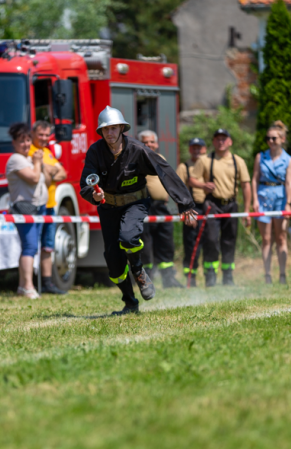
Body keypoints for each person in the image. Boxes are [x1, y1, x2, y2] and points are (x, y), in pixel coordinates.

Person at [79, 107, 196, 314]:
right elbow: (86, 182)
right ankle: (130, 302)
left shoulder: (138, 149)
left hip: (136, 203)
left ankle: (139, 270)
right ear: (101, 132)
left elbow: (165, 171)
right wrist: (93, 195)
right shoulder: (95, 152)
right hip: (108, 207)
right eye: (106, 129)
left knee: (129, 237)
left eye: (114, 128)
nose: (110, 133)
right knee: (114, 263)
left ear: (122, 128)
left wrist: (184, 202)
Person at [194, 129, 251, 287]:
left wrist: (247, 210)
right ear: (213, 142)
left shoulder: (237, 161)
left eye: (224, 139)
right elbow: (191, 179)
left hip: (231, 205)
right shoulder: (205, 160)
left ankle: (228, 276)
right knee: (211, 240)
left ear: (230, 141)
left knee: (229, 241)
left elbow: (246, 185)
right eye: (218, 139)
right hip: (212, 205)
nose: (221, 142)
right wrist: (202, 185)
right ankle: (210, 276)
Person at [6, 122, 51, 299]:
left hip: (38, 208)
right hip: (24, 208)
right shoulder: (15, 159)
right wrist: (39, 162)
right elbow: (33, 178)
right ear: (14, 143)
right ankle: (28, 287)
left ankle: (22, 286)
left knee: (30, 247)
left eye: (27, 140)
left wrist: (40, 164)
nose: (25, 144)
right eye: (21, 141)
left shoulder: (27, 159)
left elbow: (46, 180)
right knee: (30, 247)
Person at [138, 130, 183, 289]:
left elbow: (171, 181)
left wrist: (180, 203)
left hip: (162, 207)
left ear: (156, 144)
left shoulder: (161, 159)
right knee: (146, 244)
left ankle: (168, 279)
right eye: (145, 142)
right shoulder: (137, 159)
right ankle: (146, 281)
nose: (149, 144)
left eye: (152, 142)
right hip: (145, 207)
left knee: (166, 242)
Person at [252, 122, 291, 285]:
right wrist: (255, 199)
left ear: (282, 139)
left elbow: (289, 183)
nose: (270, 141)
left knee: (281, 238)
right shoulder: (260, 156)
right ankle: (267, 275)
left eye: (274, 138)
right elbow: (254, 179)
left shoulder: (288, 160)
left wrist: (288, 203)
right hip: (263, 198)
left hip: (280, 199)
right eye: (268, 138)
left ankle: (282, 275)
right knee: (266, 239)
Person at [30, 121, 67, 295]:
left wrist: (48, 169)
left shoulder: (47, 152)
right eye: (41, 135)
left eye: (47, 135)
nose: (44, 138)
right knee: (32, 246)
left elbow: (63, 173)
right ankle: (29, 284)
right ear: (33, 133)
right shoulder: (30, 151)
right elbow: (43, 178)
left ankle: (47, 283)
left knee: (47, 246)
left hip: (50, 205)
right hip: (36, 205)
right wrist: (50, 171)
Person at [179, 137, 207, 287]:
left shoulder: (210, 164)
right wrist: (187, 212)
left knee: (209, 243)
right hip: (191, 208)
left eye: (199, 148)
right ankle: (191, 278)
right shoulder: (184, 167)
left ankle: (210, 278)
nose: (196, 151)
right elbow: (177, 190)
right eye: (193, 148)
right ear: (190, 149)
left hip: (207, 207)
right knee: (191, 245)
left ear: (205, 149)